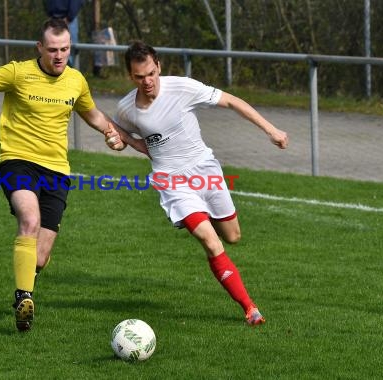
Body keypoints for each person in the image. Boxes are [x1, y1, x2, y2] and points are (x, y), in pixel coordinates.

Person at [0, 18, 125, 332]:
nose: (59, 56)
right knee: (28, 220)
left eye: (65, 49)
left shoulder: (76, 80)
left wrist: (112, 133)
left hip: (57, 171)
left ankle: (25, 283)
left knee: (40, 258)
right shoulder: (18, 72)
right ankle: (23, 300)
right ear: (40, 48)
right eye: (53, 49)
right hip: (17, 161)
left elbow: (92, 113)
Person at [113, 41, 289, 325]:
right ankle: (250, 308)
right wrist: (120, 142)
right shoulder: (125, 109)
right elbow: (125, 137)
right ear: (130, 76)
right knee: (211, 241)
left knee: (232, 236)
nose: (147, 82)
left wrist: (271, 130)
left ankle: (203, 214)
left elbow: (232, 101)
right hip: (171, 181)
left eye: (151, 74)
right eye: (139, 77)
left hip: (205, 171)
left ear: (158, 66)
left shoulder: (182, 87)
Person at [45, 0, 84, 67]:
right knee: (51, 48)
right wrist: (50, 14)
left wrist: (69, 18)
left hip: (69, 21)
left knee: (70, 50)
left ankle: (72, 75)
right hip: (53, 19)